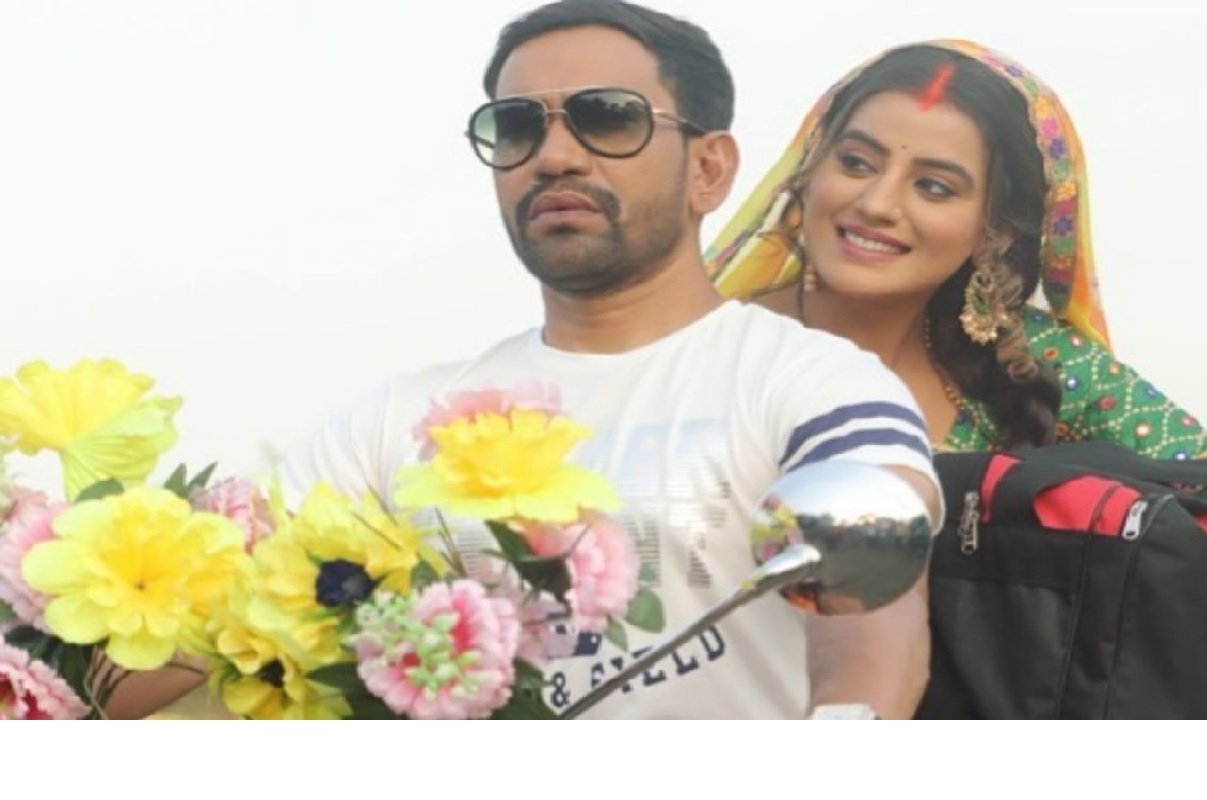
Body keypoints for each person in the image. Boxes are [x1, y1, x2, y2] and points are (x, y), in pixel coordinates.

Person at [278, 0, 943, 719]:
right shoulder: (395, 422)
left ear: (708, 169)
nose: (554, 157)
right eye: (517, 127)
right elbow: (224, 602)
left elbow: (873, 588)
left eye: (608, 118)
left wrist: (849, 718)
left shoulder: (812, 382)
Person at [707, 40, 1207, 603]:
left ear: (994, 229)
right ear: (809, 170)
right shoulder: (712, 349)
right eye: (856, 163)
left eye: (934, 187)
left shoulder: (1020, 358)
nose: (878, 203)